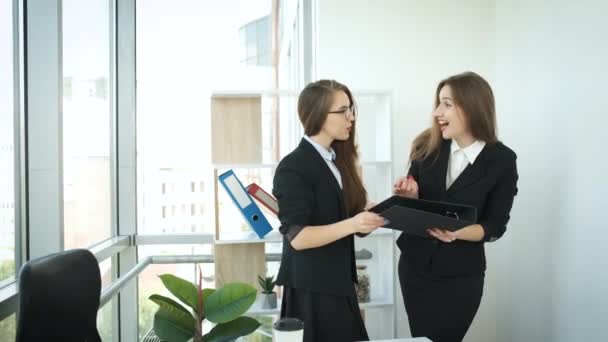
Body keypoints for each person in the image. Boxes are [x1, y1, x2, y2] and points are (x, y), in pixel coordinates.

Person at [394, 71, 519, 342]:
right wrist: (410, 197)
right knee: (422, 339)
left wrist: (456, 232)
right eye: (438, 103)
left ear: (472, 106)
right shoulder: (426, 146)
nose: (438, 111)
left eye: (447, 104)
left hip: (461, 276)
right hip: (414, 267)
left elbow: (495, 225)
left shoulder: (502, 160)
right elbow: (414, 211)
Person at [273, 79, 385, 342]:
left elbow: (349, 216)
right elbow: (299, 238)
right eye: (343, 110)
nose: (351, 117)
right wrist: (354, 223)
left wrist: (383, 210)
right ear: (318, 114)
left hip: (339, 283)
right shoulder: (293, 167)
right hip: (311, 287)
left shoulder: (339, 161)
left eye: (351, 109)